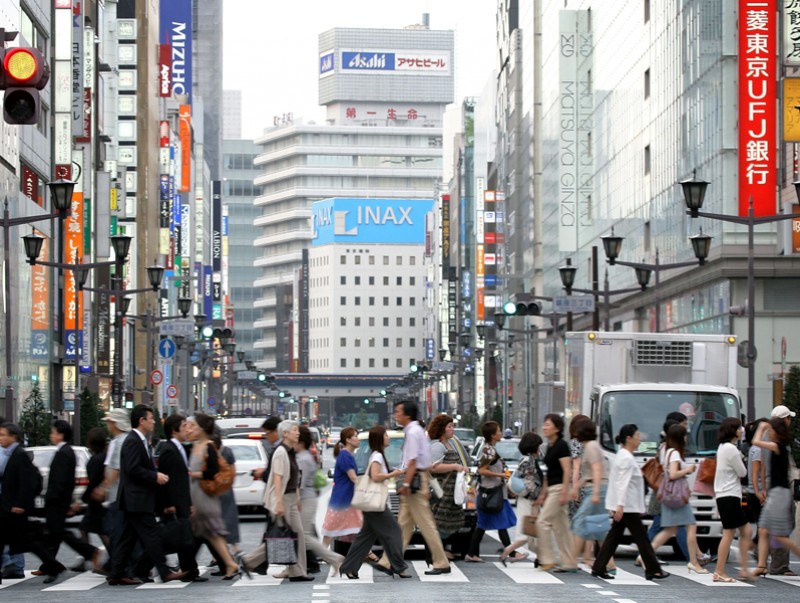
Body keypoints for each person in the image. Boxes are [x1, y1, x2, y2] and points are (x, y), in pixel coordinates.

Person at [106, 404, 187, 586]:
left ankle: (116, 573)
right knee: (152, 536)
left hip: (134, 499)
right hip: (137, 498)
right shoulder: (133, 441)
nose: (154, 422)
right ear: (141, 421)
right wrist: (154, 476)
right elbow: (132, 468)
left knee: (127, 539)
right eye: (151, 419)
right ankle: (164, 572)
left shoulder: (139, 440)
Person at [376, 401, 451, 575]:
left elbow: (412, 461)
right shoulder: (416, 431)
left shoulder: (412, 432)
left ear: (407, 415)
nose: (395, 415)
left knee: (426, 524)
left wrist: (406, 484)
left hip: (414, 481)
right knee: (404, 525)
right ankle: (388, 561)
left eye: (398, 412)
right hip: (417, 478)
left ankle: (441, 562)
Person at [591, 424, 668, 581]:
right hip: (627, 506)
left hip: (626, 505)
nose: (640, 439)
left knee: (614, 536)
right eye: (637, 436)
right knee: (641, 538)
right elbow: (622, 483)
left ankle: (599, 567)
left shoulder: (624, 455)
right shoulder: (626, 458)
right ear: (629, 438)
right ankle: (653, 569)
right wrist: (619, 505)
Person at [242, 420, 314, 582]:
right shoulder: (281, 452)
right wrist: (279, 502)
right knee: (281, 536)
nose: (298, 433)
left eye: (297, 430)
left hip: (291, 498)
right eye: (294, 430)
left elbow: (294, 477)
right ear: (285, 434)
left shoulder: (290, 451)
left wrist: (297, 498)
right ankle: (248, 561)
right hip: (283, 498)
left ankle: (297, 572)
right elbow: (277, 478)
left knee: (296, 535)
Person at [0, 422, 66, 586]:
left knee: (30, 542)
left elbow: (27, 481)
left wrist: (21, 504)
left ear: (13, 437)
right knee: (24, 541)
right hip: (9, 507)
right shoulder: (11, 454)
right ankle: (52, 566)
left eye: (3, 435)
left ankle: (53, 566)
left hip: (16, 508)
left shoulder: (19, 454)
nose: (0, 438)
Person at [340, 426, 409, 579]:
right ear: (379, 439)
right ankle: (398, 566)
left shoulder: (377, 455)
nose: (388, 438)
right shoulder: (377, 456)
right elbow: (375, 476)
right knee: (394, 531)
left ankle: (349, 568)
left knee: (365, 537)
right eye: (386, 435)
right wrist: (393, 474)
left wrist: (392, 473)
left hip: (374, 503)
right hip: (375, 503)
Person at [43, 420, 103, 581]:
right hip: (60, 500)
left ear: (61, 435)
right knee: (56, 534)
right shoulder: (65, 451)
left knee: (59, 533)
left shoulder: (64, 453)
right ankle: (49, 566)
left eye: (54, 432)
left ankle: (90, 552)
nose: (51, 435)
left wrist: (54, 499)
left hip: (57, 501)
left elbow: (61, 481)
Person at [155, 413, 210, 583]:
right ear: (174, 430)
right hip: (174, 503)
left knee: (183, 538)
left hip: (181, 501)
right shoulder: (169, 450)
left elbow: (182, 480)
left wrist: (189, 502)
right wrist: (168, 504)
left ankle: (189, 571)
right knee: (177, 538)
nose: (188, 429)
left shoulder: (179, 448)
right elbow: (167, 481)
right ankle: (189, 571)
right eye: (184, 426)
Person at [648, 423, 708, 574]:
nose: (686, 438)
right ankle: (694, 562)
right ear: (680, 438)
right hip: (677, 496)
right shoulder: (674, 453)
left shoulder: (667, 451)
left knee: (670, 529)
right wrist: (688, 469)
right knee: (691, 526)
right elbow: (673, 474)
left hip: (670, 495)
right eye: (685, 435)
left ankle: (645, 555)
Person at [186, 414, 241, 580]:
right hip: (197, 495)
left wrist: (194, 474)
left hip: (205, 497)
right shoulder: (195, 445)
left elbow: (213, 471)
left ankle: (228, 563)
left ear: (202, 428)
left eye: (193, 426)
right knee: (208, 533)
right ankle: (228, 563)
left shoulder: (208, 446)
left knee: (212, 532)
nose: (189, 429)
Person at [465, 421, 520, 563]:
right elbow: (482, 470)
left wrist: (507, 487)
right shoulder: (489, 451)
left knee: (485, 525)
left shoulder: (490, 449)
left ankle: (472, 553)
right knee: (500, 523)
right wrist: (500, 475)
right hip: (491, 493)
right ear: (492, 435)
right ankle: (511, 553)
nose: (501, 433)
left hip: (491, 492)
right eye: (499, 431)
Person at [754, 405, 797, 577]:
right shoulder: (779, 441)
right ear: (785, 420)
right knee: (780, 530)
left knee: (769, 529)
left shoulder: (775, 440)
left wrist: (764, 487)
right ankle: (774, 564)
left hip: (775, 489)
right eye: (789, 418)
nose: (790, 421)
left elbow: (764, 465)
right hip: (780, 491)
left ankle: (764, 561)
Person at [296, 425, 343, 575]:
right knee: (301, 535)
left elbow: (300, 483)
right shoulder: (304, 456)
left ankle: (333, 558)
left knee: (303, 536)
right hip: (307, 498)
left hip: (305, 499)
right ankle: (294, 567)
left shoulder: (303, 458)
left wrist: (295, 500)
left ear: (300, 441)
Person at [712, 417, 753, 582]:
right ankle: (719, 571)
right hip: (729, 495)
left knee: (746, 531)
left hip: (725, 495)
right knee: (729, 533)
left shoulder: (722, 447)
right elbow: (743, 472)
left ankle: (743, 569)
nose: (742, 430)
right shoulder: (731, 449)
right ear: (733, 430)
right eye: (739, 428)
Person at [645, 414, 689, 564]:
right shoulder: (669, 449)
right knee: (664, 524)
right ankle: (646, 555)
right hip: (667, 492)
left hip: (664, 491)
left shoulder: (665, 447)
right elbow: (672, 472)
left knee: (669, 525)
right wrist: (687, 470)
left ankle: (693, 557)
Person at [536, 413, 577, 572]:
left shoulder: (562, 445)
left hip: (559, 489)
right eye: (544, 424)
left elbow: (567, 470)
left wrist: (565, 491)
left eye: (548, 424)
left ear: (557, 428)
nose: (544, 427)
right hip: (552, 488)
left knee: (542, 522)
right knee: (562, 528)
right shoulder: (550, 446)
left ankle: (548, 559)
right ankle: (569, 562)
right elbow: (549, 472)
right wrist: (543, 493)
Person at [570, 417, 609, 568]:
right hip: (594, 488)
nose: (574, 433)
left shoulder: (591, 447)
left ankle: (571, 562)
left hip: (596, 489)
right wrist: (576, 487)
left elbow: (597, 471)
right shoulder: (590, 446)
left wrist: (596, 493)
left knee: (579, 521)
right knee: (599, 528)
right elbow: (588, 475)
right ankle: (609, 564)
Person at [500, 432, 544, 564]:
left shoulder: (527, 460)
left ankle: (541, 558)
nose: (540, 448)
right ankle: (507, 551)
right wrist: (537, 499)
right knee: (526, 533)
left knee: (536, 531)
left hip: (528, 500)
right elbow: (530, 483)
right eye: (539, 445)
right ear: (534, 446)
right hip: (529, 501)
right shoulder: (529, 461)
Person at [97, 408, 132, 572]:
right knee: (121, 531)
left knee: (118, 531)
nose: (108, 425)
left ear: (116, 424)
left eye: (110, 422)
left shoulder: (119, 442)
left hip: (117, 493)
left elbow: (117, 468)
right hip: (118, 493)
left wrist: (104, 486)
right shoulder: (118, 440)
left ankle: (121, 566)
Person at [428, 414, 467, 555]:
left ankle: (445, 549)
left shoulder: (451, 444)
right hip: (441, 489)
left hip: (451, 490)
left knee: (451, 520)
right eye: (449, 426)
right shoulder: (438, 446)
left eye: (452, 426)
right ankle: (438, 551)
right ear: (441, 428)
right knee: (441, 520)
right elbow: (433, 467)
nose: (452, 429)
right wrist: (455, 467)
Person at [73, 427, 110, 572]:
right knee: (99, 531)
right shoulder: (105, 457)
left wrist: (81, 500)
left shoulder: (95, 460)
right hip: (100, 500)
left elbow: (92, 483)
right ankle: (91, 558)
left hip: (96, 501)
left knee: (97, 530)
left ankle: (94, 558)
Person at [321, 426, 363, 547]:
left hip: (347, 499)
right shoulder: (345, 455)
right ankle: (323, 553)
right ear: (348, 440)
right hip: (342, 500)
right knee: (331, 531)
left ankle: (365, 553)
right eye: (356, 436)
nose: (358, 439)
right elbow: (353, 477)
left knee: (354, 530)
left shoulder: (347, 455)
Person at [0, 414, 25, 581]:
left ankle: (11, 563)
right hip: (10, 497)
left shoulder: (6, 450)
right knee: (13, 533)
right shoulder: (9, 449)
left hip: (5, 497)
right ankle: (16, 565)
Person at [212, 430, 242, 559]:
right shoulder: (227, 451)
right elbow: (233, 471)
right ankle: (234, 547)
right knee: (229, 517)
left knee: (216, 519)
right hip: (225, 488)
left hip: (214, 488)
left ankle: (219, 553)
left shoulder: (209, 453)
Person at [743, 419, 767, 546]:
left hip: (754, 492)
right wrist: (759, 492)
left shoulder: (754, 448)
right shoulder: (758, 449)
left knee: (761, 526)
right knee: (763, 526)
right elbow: (755, 473)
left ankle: (755, 548)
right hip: (757, 492)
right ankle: (754, 548)